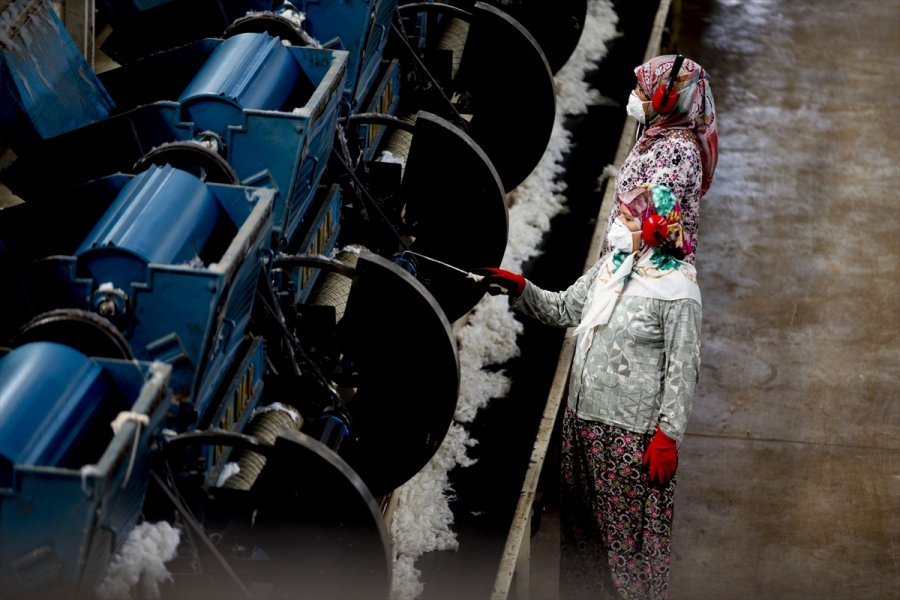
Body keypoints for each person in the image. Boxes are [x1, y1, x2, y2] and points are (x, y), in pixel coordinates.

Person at [478, 183, 702, 600]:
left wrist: (669, 435)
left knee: (625, 553)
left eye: (631, 216)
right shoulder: (612, 267)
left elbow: (683, 367)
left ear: (656, 226)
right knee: (582, 543)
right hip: (581, 426)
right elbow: (565, 307)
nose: (621, 221)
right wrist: (521, 289)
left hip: (628, 439)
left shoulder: (677, 290)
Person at [605, 53, 718, 265]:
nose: (635, 95)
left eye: (641, 90)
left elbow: (653, 233)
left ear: (665, 100)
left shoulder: (674, 152)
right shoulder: (657, 135)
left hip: (636, 278)